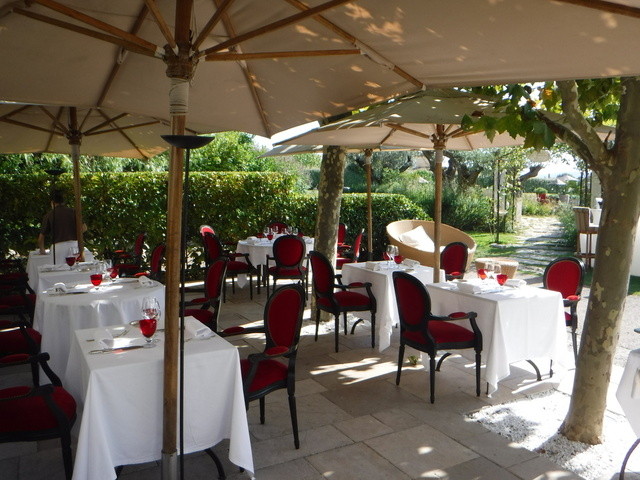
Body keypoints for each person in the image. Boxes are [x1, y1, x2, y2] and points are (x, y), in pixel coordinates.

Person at [38, 190, 86, 264]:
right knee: (76, 269)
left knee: (58, 270)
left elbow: (41, 237)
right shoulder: (73, 212)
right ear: (63, 202)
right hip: (75, 246)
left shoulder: (49, 215)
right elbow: (84, 228)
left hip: (58, 248)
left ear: (52, 202)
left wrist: (42, 250)